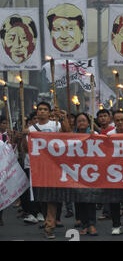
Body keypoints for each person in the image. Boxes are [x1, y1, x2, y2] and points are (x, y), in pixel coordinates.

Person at [22, 102, 71, 239]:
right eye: (40, 109)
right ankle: (47, 220)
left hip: (53, 166)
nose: (42, 111)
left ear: (49, 112)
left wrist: (63, 118)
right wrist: (23, 136)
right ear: (37, 112)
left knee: (50, 198)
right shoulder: (30, 129)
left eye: (45, 109)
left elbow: (67, 133)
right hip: (37, 168)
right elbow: (26, 150)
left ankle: (50, 227)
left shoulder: (55, 126)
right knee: (41, 197)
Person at [73, 113, 98, 236]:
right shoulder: (71, 137)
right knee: (79, 200)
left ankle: (92, 224)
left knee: (90, 199)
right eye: (79, 121)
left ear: (89, 123)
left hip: (91, 172)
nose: (81, 123)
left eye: (84, 120)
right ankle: (84, 224)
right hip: (75, 172)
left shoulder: (95, 135)